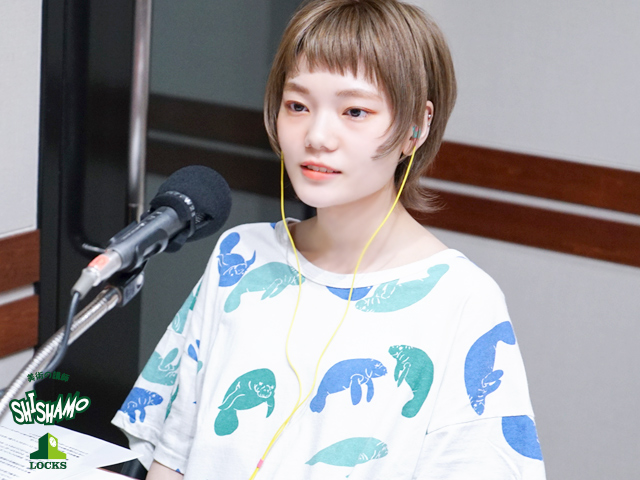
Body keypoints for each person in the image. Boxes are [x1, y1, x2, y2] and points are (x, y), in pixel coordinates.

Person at [112, 1, 546, 479]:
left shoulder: (461, 300)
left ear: (416, 127)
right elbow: (171, 457)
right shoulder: (240, 255)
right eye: (297, 106)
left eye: (355, 111)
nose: (316, 136)